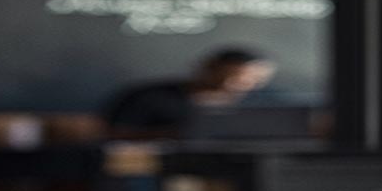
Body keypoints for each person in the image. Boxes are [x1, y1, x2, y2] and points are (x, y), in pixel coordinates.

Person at [102, 47, 277, 137]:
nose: (239, 84)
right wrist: (175, 134)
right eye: (232, 76)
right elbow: (114, 132)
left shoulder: (271, 101)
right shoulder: (149, 96)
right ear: (208, 68)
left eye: (253, 79)